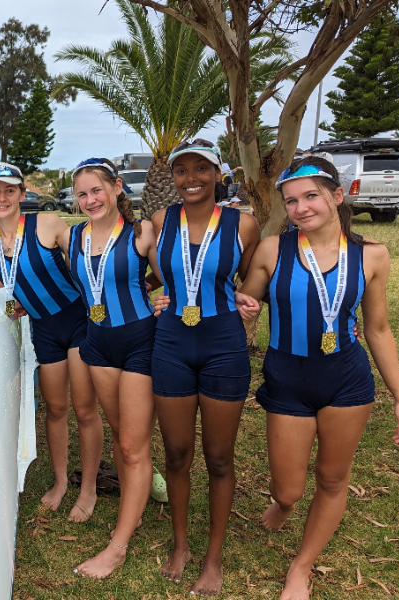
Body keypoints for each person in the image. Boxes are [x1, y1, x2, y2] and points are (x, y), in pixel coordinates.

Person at [234, 157, 399, 600]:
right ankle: (284, 505)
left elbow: (378, 329)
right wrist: (243, 304)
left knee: (331, 479)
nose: (301, 208)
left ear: (337, 196)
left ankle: (301, 567)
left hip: (346, 379)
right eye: (291, 201)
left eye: (311, 196)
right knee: (287, 487)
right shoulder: (273, 250)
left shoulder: (372, 255)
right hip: (287, 378)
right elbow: (245, 299)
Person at [0, 163, 103, 523]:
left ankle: (88, 489)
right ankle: (60, 482)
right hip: (43, 329)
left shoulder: (47, 224)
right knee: (55, 409)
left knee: (84, 410)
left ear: (23, 194)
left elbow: (85, 264)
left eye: (10, 190)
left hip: (77, 322)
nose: (2, 197)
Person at [151, 139, 261, 596]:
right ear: (172, 176)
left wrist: (249, 298)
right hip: (173, 343)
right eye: (181, 170)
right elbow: (151, 272)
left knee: (218, 457)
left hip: (223, 346)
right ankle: (181, 545)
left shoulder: (244, 223)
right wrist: (155, 294)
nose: (190, 178)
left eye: (201, 168)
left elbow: (256, 272)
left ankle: (213, 556)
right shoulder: (161, 221)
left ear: (218, 174)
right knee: (176, 454)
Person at [66, 159, 160, 578]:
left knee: (132, 446)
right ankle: (133, 506)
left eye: (97, 191)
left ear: (117, 187)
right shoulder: (73, 237)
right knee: (122, 434)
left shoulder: (141, 233)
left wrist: (166, 296)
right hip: (98, 345)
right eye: (82, 194)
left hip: (140, 342)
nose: (90, 200)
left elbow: (172, 277)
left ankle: (117, 547)